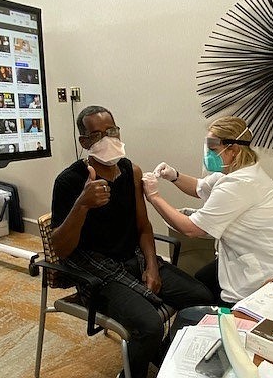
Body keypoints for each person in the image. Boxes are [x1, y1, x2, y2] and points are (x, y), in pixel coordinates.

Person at [51, 105, 213, 378]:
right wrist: (82, 205)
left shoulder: (131, 171)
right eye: (97, 134)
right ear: (84, 142)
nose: (107, 138)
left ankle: (163, 355)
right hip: (97, 273)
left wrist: (151, 265)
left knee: (201, 297)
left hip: (134, 259)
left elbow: (143, 226)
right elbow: (61, 248)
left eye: (112, 130)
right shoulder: (69, 181)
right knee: (149, 326)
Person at [142, 116, 273, 308]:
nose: (208, 155)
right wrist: (174, 176)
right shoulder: (235, 171)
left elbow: (191, 229)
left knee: (226, 306)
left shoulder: (239, 184)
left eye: (213, 149)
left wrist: (154, 196)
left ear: (234, 149)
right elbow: (201, 187)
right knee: (201, 280)